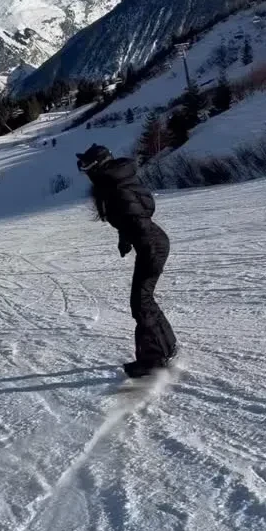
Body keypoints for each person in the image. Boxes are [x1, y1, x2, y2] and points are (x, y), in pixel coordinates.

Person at [76, 144, 177, 378]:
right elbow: (133, 213)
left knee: (141, 302)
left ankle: (154, 359)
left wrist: (140, 240)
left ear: (98, 167)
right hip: (152, 243)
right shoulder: (115, 182)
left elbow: (138, 216)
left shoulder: (115, 187)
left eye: (86, 168)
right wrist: (126, 237)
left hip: (152, 246)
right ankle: (166, 348)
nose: (85, 174)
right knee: (144, 300)